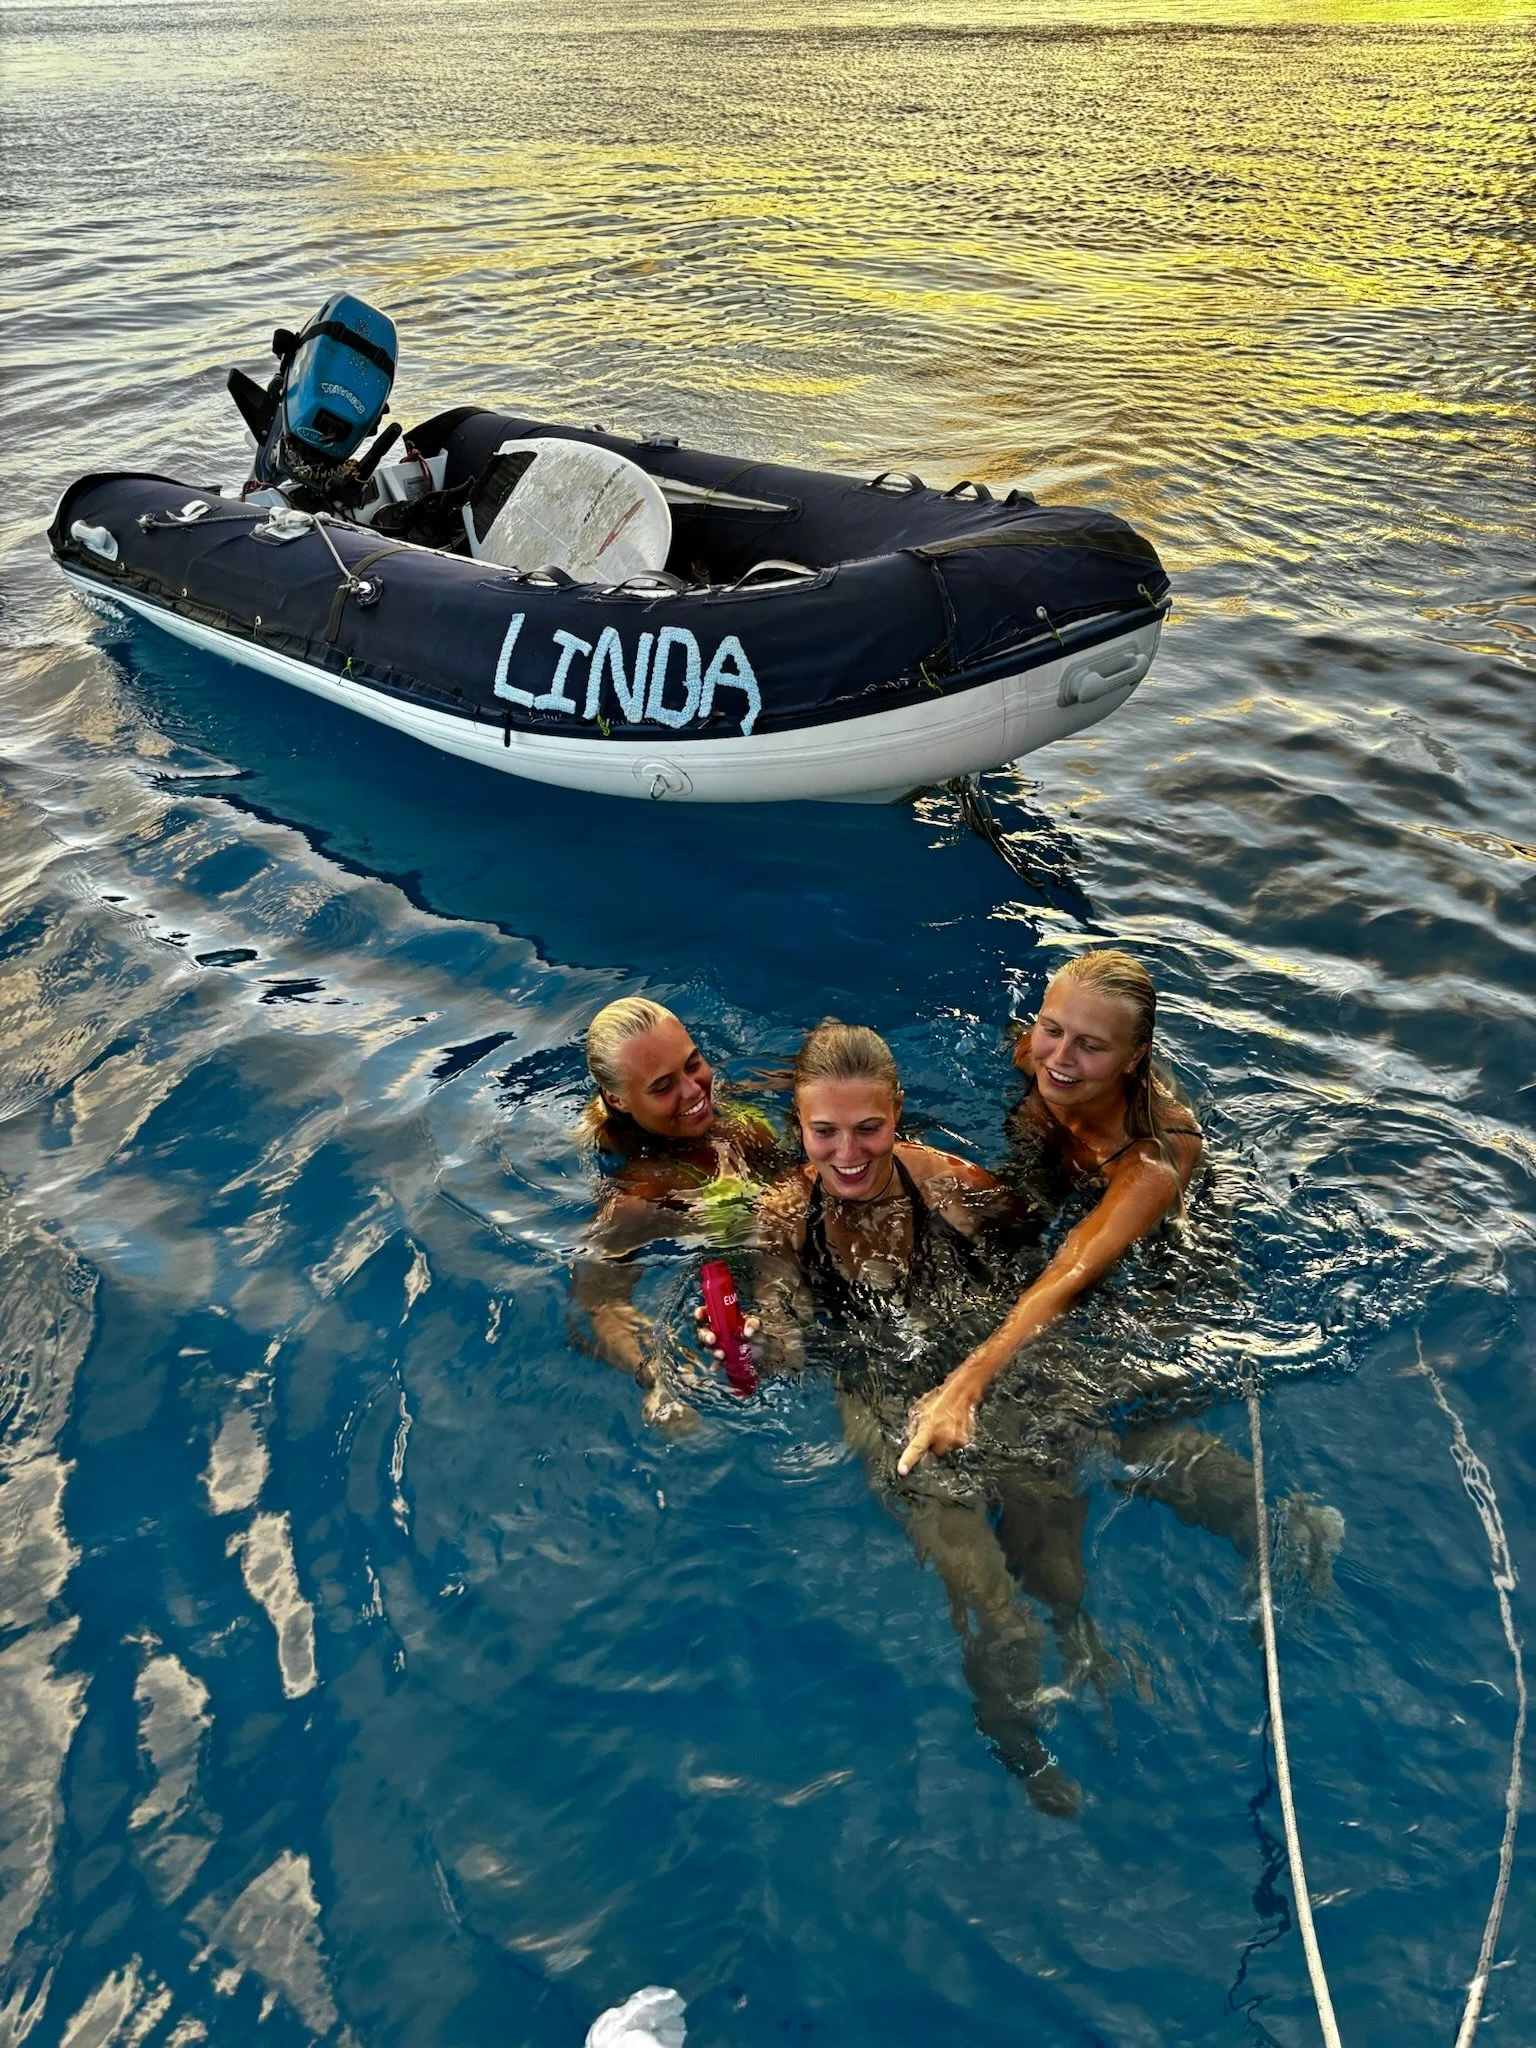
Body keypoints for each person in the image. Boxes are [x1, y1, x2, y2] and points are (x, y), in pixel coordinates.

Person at [897, 949, 1204, 1477]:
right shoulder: (1038, 1057)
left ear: (1135, 1057)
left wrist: (965, 1385)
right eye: (1052, 1029)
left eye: (1091, 1046)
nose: (1060, 1057)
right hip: (1051, 1176)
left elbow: (1073, 1270)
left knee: (1074, 1394)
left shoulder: (1154, 1154)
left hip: (1151, 1241)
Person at [574, 996, 780, 1426]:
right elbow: (599, 1304)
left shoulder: (726, 1100)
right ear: (618, 1099)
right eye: (663, 1087)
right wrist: (658, 1376)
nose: (693, 1091)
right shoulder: (642, 1195)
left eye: (693, 1064)